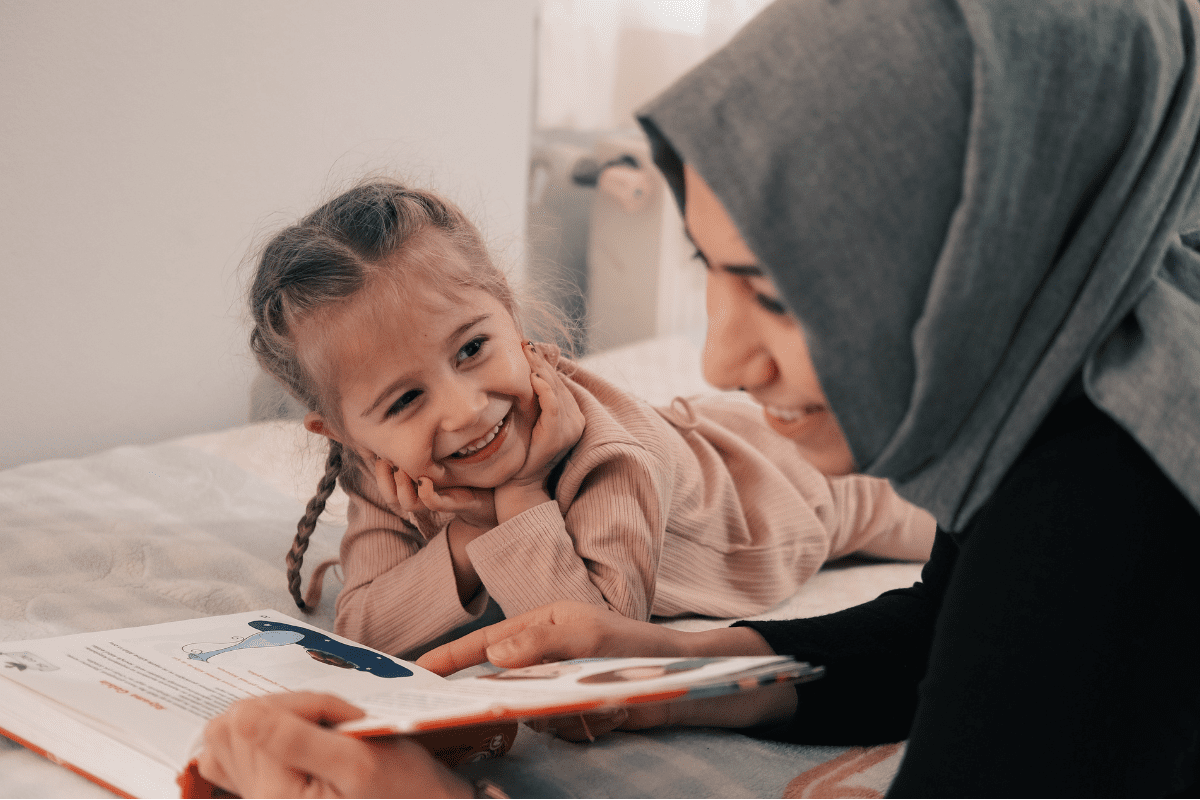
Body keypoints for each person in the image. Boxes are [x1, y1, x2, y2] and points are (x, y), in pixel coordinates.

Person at [198, 0, 1200, 795]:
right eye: (708, 270)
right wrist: (670, 667)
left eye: (777, 290)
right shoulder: (1070, 374)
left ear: (991, 241)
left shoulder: (1109, 487)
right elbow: (948, 632)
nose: (721, 358)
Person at [248, 180, 933, 659]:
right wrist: (462, 540)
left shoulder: (604, 453)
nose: (464, 409)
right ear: (342, 434)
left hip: (785, 492)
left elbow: (595, 636)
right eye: (404, 401)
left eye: (473, 348)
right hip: (696, 449)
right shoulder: (381, 471)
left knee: (955, 518)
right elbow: (364, 624)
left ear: (510, 315)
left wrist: (516, 499)